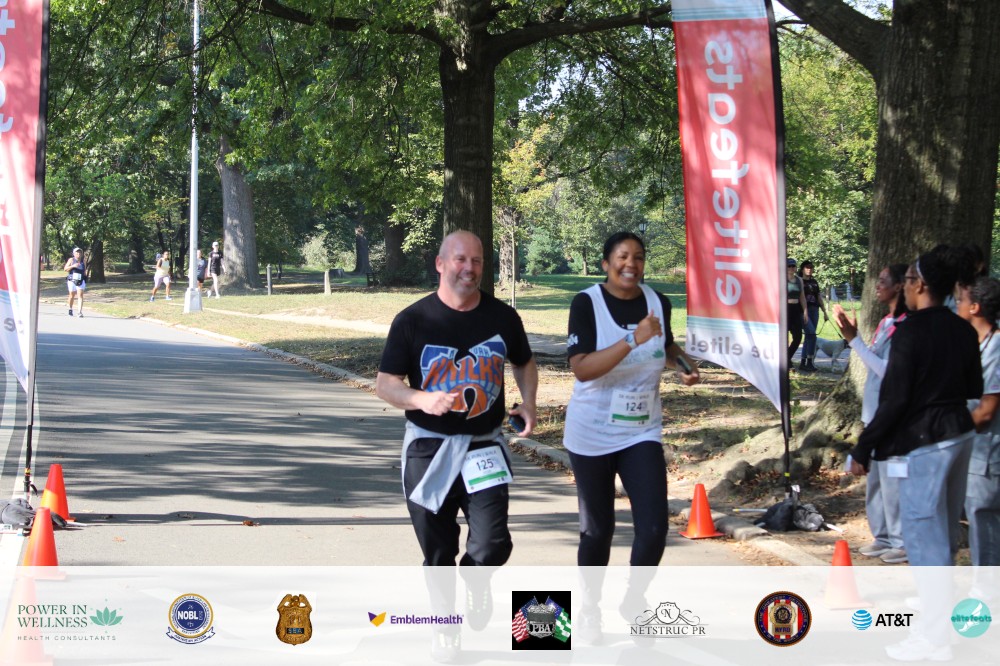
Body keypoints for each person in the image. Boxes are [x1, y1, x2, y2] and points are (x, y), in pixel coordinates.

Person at [848, 248, 981, 661]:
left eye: (907, 280)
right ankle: (940, 626)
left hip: (925, 443)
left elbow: (895, 399)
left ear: (920, 285)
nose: (904, 288)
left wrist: (864, 446)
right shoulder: (962, 328)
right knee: (943, 536)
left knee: (925, 543)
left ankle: (935, 640)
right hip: (960, 434)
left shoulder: (910, 332)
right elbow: (973, 386)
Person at [375, 230, 538, 567]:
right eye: (460, 259)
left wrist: (529, 402)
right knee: (438, 553)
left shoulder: (503, 317)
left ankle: (474, 585)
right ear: (440, 264)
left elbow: (524, 362)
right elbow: (386, 384)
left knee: (491, 545)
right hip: (428, 447)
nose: (469, 268)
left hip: (484, 446)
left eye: (477, 260)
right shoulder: (412, 320)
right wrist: (421, 399)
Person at [564, 231, 700, 568]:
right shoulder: (587, 303)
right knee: (597, 532)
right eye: (622, 256)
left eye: (638, 257)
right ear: (605, 264)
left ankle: (634, 594)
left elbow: (666, 346)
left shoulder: (657, 302)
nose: (631, 264)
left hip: (641, 430)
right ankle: (591, 597)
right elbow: (582, 369)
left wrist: (685, 366)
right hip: (592, 433)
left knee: (654, 529)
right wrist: (631, 339)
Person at [832, 264, 909, 564]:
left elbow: (889, 372)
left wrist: (854, 340)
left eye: (884, 280)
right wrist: (855, 339)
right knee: (876, 480)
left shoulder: (905, 326)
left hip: (891, 414)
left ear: (900, 286)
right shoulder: (886, 322)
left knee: (893, 480)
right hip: (873, 411)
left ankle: (901, 540)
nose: (878, 285)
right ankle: (883, 535)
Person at [955, 276, 1000, 578]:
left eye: (960, 300)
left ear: (975, 307)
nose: (956, 305)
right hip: (970, 451)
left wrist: (943, 428)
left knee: (985, 525)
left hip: (988, 455)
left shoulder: (996, 349)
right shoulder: (973, 345)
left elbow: (986, 412)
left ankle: (987, 594)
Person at [798, 260, 829, 372]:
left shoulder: (814, 282)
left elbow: (818, 297)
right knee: (812, 335)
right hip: (802, 311)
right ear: (802, 269)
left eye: (811, 267)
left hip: (814, 309)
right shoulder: (799, 281)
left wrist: (824, 312)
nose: (809, 269)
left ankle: (804, 362)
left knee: (809, 336)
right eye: (807, 267)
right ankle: (810, 361)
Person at [786, 258, 808, 366]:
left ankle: (787, 357)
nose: (791, 268)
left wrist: (805, 311)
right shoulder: (781, 279)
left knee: (798, 337)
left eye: (793, 266)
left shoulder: (799, 280)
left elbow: (802, 297)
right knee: (783, 337)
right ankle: (786, 362)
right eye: (789, 266)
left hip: (795, 308)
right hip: (785, 309)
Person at [64, 247, 86, 317]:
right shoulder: (71, 260)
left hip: (80, 280)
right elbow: (65, 269)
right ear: (74, 254)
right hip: (72, 280)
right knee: (71, 295)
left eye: (80, 252)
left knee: (80, 295)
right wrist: (73, 266)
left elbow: (84, 271)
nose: (78, 254)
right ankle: (70, 309)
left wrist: (85, 278)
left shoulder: (83, 261)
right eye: (77, 252)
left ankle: (79, 312)